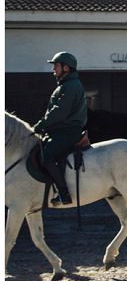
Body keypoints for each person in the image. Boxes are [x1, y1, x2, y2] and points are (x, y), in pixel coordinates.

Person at [33, 51, 88, 206]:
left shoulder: (70, 86)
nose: (53, 69)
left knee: (47, 156)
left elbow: (59, 112)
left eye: (56, 66)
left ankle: (64, 194)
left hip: (67, 131)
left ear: (66, 68)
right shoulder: (66, 85)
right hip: (62, 130)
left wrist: (39, 126)